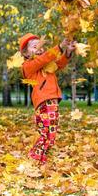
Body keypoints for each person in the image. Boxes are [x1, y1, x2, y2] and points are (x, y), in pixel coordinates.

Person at [20, 34, 76, 164]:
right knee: (45, 133)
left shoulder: (47, 63)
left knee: (51, 133)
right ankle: (34, 158)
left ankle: (41, 158)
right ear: (25, 53)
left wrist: (67, 52)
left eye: (41, 45)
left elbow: (59, 64)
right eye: (35, 46)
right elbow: (42, 60)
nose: (39, 48)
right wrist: (59, 47)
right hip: (43, 101)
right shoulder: (27, 65)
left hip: (52, 100)